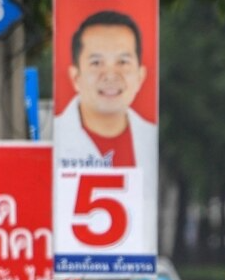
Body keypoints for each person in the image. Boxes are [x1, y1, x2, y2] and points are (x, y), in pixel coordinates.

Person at [54, 10, 157, 171]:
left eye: (123, 62)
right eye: (96, 63)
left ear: (140, 76)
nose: (110, 75)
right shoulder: (51, 138)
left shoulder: (156, 140)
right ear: (75, 77)